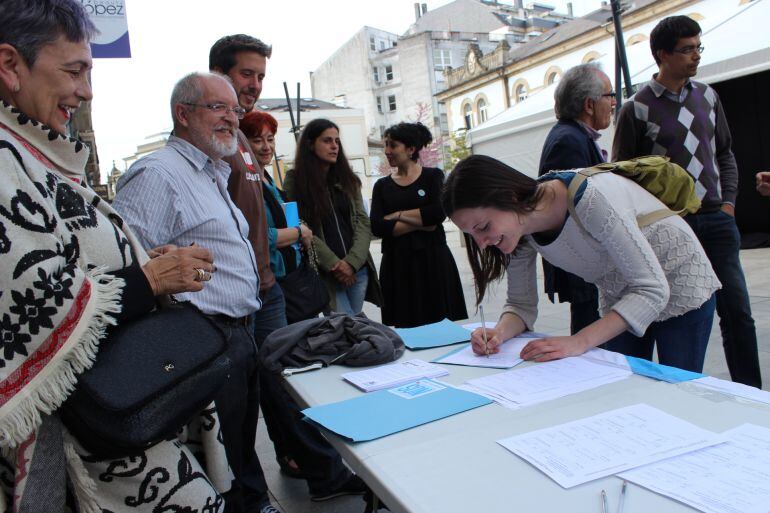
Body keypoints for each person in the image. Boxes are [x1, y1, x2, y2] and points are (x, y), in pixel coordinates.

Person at [0, 2, 226, 510]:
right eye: (74, 70)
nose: (86, 91)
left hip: (115, 418)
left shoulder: (33, 152)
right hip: (81, 442)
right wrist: (151, 278)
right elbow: (33, 302)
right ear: (10, 65)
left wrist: (144, 260)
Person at [210, 36, 365, 510]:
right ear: (220, 73)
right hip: (237, 294)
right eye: (246, 74)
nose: (255, 84)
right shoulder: (214, 137)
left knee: (284, 382)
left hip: (268, 286)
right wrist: (292, 238)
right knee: (245, 400)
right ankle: (253, 492)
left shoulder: (236, 136)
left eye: (260, 75)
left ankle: (319, 471)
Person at [112, 72, 262, 513]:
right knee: (218, 460)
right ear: (183, 113)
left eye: (234, 110)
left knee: (238, 444)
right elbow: (130, 266)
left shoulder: (211, 171)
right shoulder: (158, 174)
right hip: (201, 339)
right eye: (218, 108)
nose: (231, 119)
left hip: (236, 334)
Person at [442, 155, 720, 372]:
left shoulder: (590, 198)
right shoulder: (518, 232)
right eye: (472, 235)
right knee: (623, 384)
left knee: (676, 385)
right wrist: (499, 333)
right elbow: (521, 306)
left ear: (509, 198)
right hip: (625, 292)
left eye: (482, 227)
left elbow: (652, 290)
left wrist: (578, 341)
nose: (482, 242)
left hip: (679, 280)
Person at [612, 15, 762, 388]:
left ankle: (750, 393)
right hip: (670, 229)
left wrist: (728, 204)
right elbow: (622, 175)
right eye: (686, 50)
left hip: (716, 220)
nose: (695, 56)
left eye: (698, 48)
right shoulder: (636, 108)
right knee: (671, 313)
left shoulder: (709, 96)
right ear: (662, 55)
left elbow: (724, 153)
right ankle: (668, 392)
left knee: (738, 314)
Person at [538, 63, 617, 334]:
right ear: (589, 104)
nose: (614, 102)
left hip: (586, 264)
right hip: (584, 265)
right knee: (592, 339)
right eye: (609, 95)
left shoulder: (574, 135)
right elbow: (579, 210)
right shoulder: (568, 141)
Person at [369, 121, 466, 327]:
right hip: (398, 264)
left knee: (441, 325)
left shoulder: (433, 176)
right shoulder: (382, 186)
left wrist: (397, 214)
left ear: (411, 149)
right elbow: (377, 226)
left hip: (432, 260)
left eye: (393, 145)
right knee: (406, 327)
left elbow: (437, 214)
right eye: (386, 145)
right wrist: (422, 221)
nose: (387, 151)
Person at [283, 118, 382, 315]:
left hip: (357, 270)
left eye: (337, 141)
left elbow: (363, 221)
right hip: (327, 273)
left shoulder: (347, 178)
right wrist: (335, 265)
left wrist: (352, 263)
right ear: (311, 144)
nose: (334, 146)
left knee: (352, 326)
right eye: (327, 141)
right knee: (344, 326)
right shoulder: (295, 180)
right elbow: (298, 225)